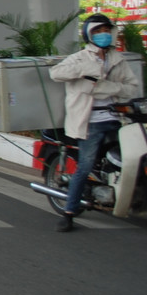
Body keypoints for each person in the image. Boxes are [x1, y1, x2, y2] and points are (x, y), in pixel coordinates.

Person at [49, 14, 139, 232]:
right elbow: (56, 73)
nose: (103, 35)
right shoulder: (79, 58)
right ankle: (69, 212)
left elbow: (133, 87)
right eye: (97, 32)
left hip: (118, 118)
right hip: (90, 121)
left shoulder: (118, 59)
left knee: (130, 159)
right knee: (85, 165)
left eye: (106, 31)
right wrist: (83, 71)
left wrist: (108, 87)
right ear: (89, 34)